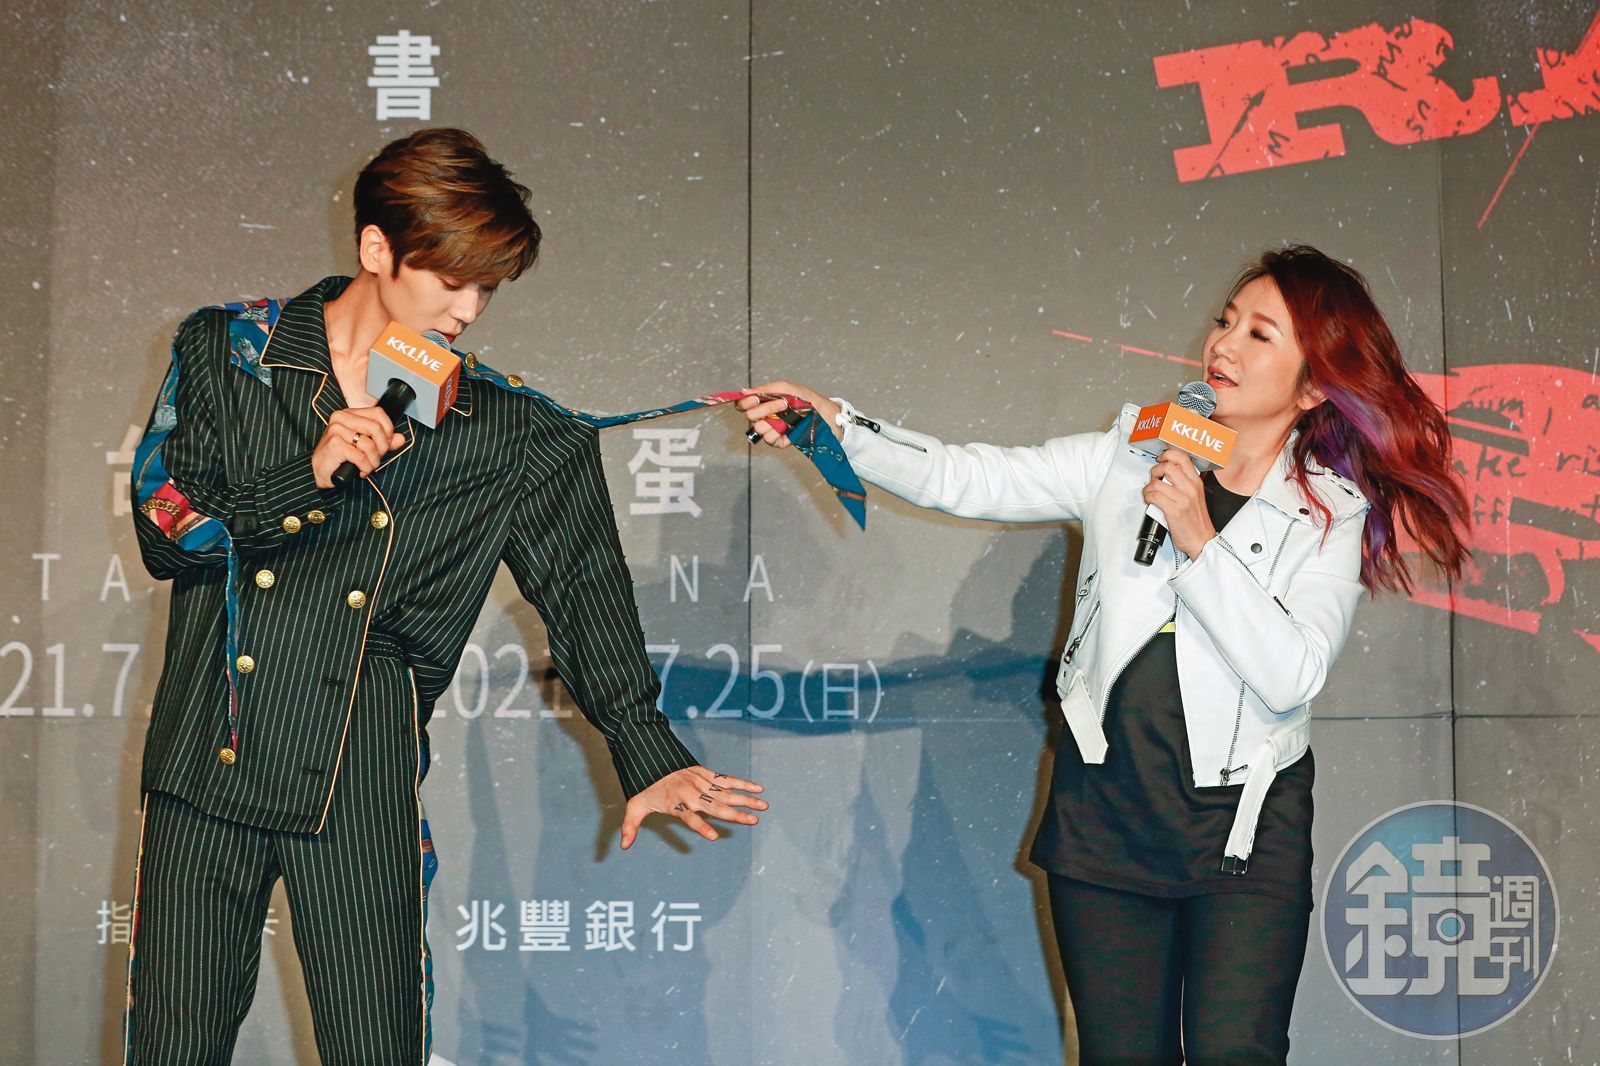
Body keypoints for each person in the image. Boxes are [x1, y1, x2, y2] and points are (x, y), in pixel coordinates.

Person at [124, 127, 767, 1066]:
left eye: (487, 288)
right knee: (171, 1049)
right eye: (452, 280)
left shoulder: (508, 429)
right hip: (205, 757)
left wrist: (643, 748)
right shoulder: (230, 350)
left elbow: (582, 592)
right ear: (375, 248)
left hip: (360, 772)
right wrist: (305, 477)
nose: (468, 309)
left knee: (375, 1046)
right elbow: (164, 528)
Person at [738, 245, 1468, 1065]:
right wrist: (839, 428)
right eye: (1226, 322)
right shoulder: (1130, 458)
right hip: (1108, 818)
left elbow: (1291, 674)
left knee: (1237, 1052)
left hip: (1243, 831)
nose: (1223, 345)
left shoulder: (1326, 512)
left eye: (1259, 334)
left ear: (1312, 386)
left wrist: (1199, 540)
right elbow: (965, 477)